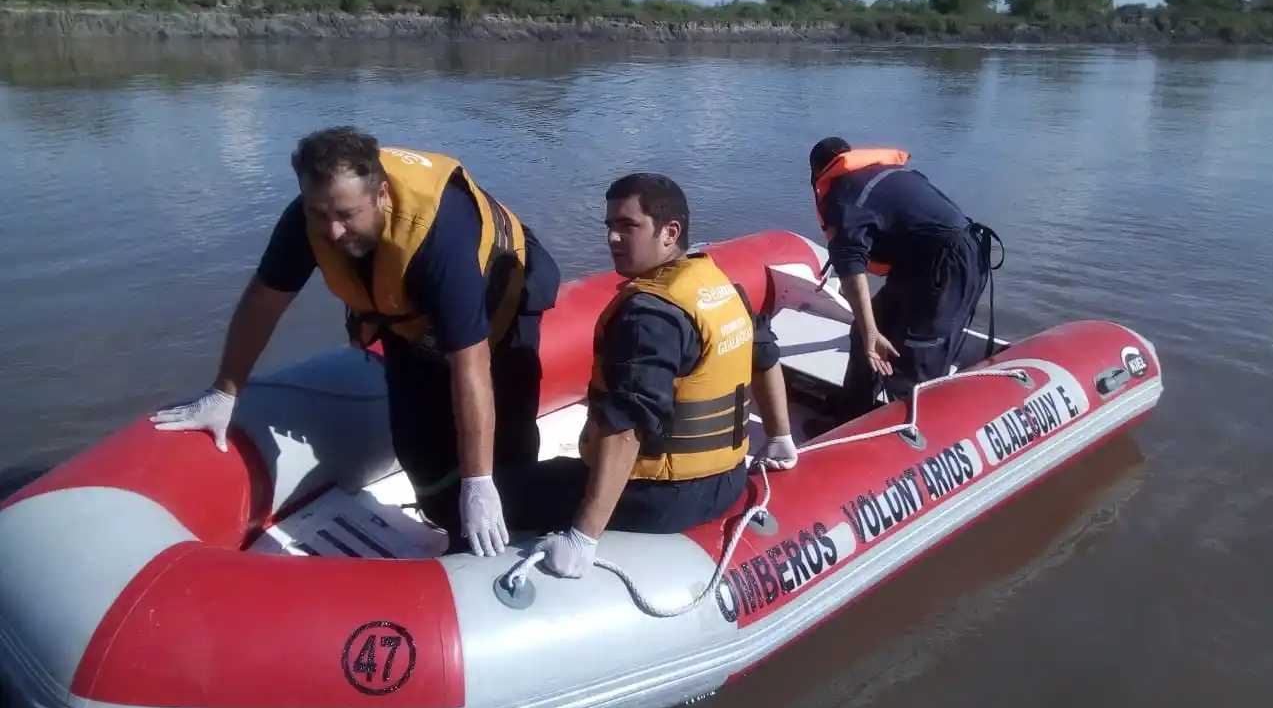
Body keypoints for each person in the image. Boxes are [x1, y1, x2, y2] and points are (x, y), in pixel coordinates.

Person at [149, 126, 561, 558]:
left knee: (505, 448)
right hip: (410, 322)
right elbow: (264, 302)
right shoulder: (309, 219)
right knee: (420, 450)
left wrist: (478, 484)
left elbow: (470, 361)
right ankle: (449, 513)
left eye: (347, 214)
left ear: (382, 194)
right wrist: (224, 389)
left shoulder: (440, 235)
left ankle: (543, 510)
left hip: (501, 307)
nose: (334, 231)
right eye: (320, 214)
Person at [500, 172, 798, 579]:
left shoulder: (648, 315)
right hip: (726, 482)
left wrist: (582, 538)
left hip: (658, 498)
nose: (612, 239)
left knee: (499, 494)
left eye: (628, 226)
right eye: (609, 226)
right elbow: (764, 358)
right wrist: (780, 437)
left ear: (670, 232)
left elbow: (625, 427)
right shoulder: (723, 287)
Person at [808, 136, 1002, 421]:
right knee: (863, 333)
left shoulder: (843, 198)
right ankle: (849, 418)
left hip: (949, 264)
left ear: (816, 175)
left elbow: (851, 271)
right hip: (920, 261)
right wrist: (869, 329)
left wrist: (872, 331)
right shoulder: (882, 174)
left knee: (917, 357)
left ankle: (908, 439)